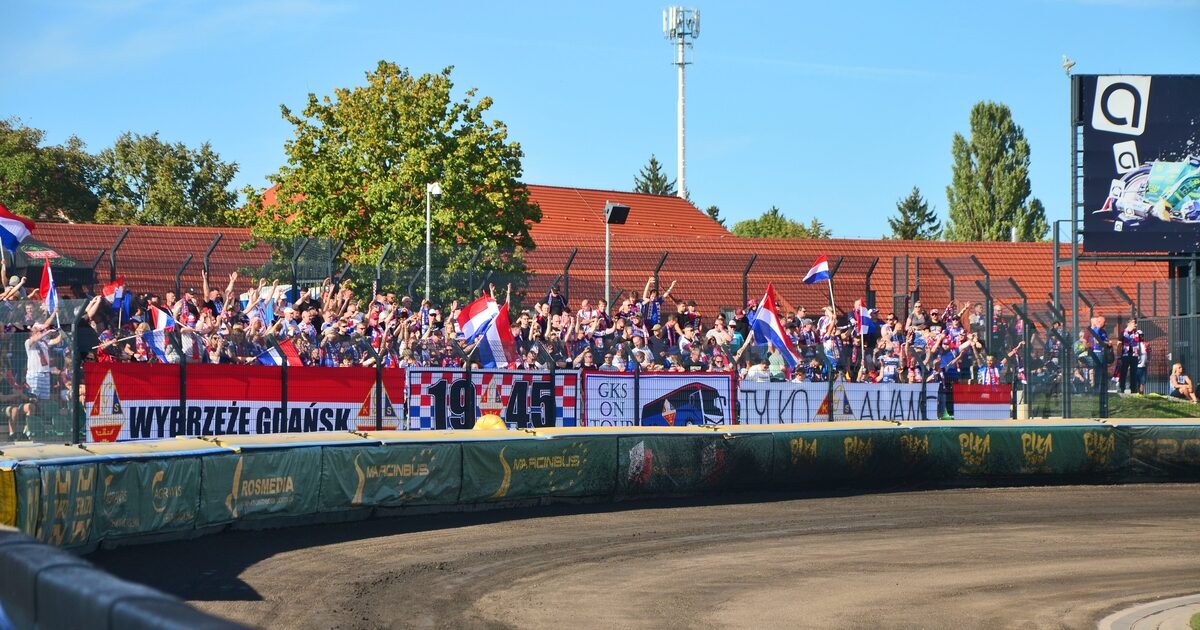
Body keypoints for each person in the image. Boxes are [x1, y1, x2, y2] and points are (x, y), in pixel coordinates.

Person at [1118, 319, 1143, 394]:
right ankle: (1122, 387)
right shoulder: (1123, 333)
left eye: (1135, 323)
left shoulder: (1137, 333)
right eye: (1134, 323)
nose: (1135, 325)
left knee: (1134, 373)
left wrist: (1140, 355)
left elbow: (1139, 344)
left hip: (1134, 355)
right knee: (1123, 372)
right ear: (1128, 323)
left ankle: (1133, 389)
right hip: (1125, 355)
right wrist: (1118, 356)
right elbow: (1119, 345)